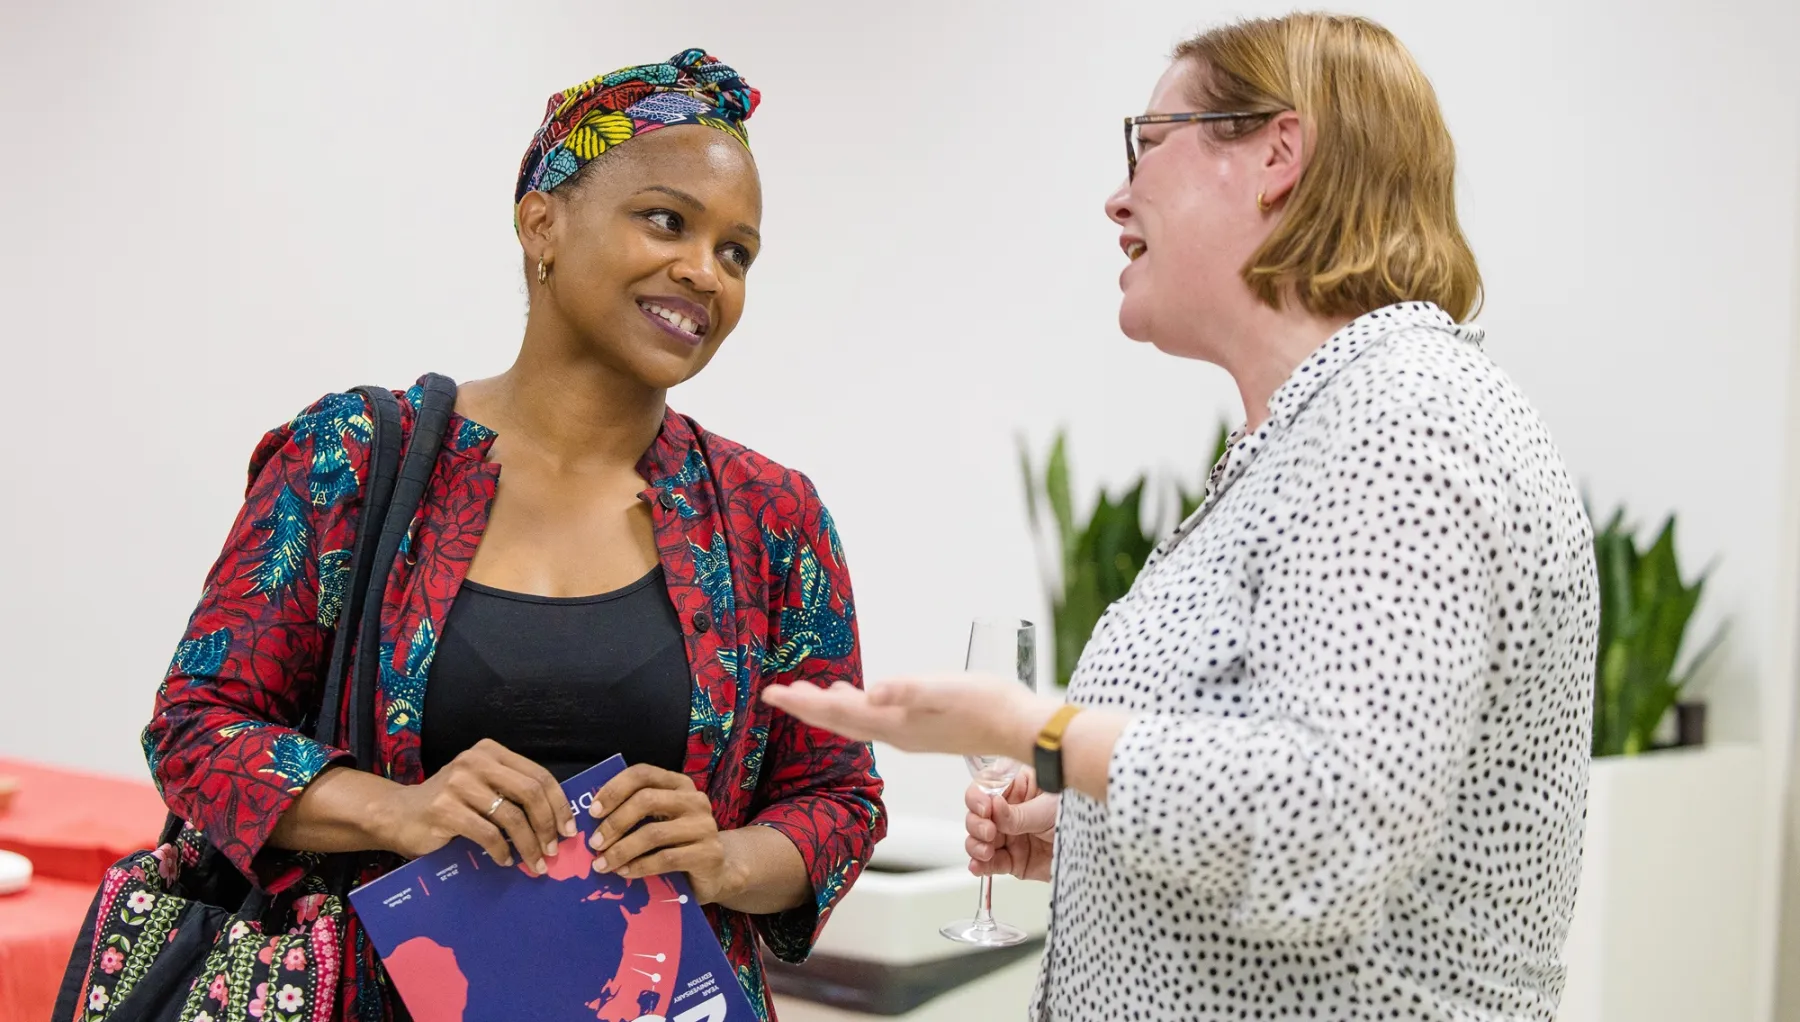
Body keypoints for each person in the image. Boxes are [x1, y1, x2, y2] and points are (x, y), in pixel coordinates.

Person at [763, 13, 1596, 1021]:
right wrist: (1090, 835)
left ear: (1277, 155)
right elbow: (1296, 781)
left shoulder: (1404, 417)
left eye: (1150, 141)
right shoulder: (1314, 430)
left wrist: (1038, 729)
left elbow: (1333, 821)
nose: (1119, 194)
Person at [143, 49, 883, 1021]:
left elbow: (839, 798)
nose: (704, 270)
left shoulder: (770, 516)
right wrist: (397, 808)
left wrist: (727, 857)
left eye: (737, 251)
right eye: (667, 219)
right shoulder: (355, 459)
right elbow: (197, 728)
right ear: (544, 220)